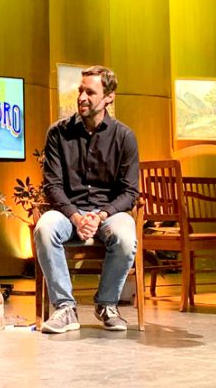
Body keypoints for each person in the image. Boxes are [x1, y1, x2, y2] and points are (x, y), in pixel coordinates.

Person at [34, 65, 139, 333]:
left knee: (126, 235)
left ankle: (106, 304)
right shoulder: (58, 133)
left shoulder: (124, 137)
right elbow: (53, 185)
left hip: (107, 213)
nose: (82, 97)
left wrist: (101, 215)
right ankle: (65, 309)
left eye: (90, 92)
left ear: (109, 97)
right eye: (80, 90)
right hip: (69, 213)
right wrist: (76, 216)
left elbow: (129, 192)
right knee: (45, 227)